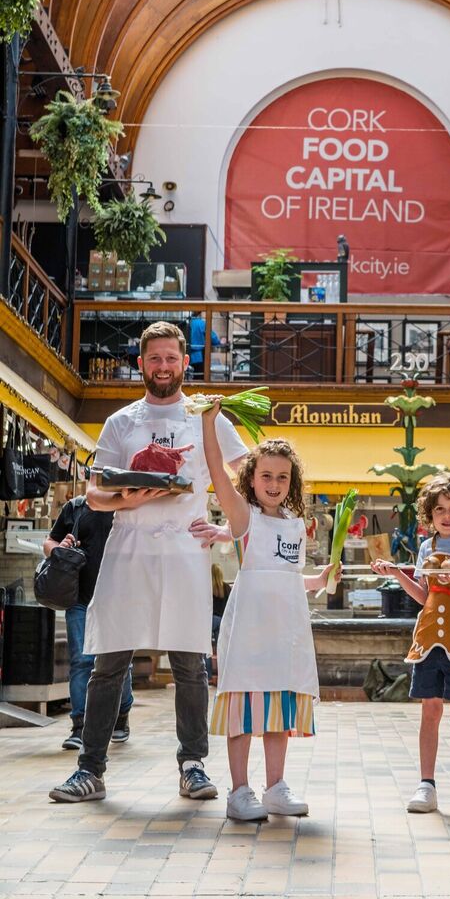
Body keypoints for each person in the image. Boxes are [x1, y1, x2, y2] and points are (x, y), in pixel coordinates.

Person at [49, 321, 248, 804]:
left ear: (186, 363)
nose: (163, 367)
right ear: (142, 364)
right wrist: (128, 502)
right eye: (154, 358)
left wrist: (228, 529)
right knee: (109, 660)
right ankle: (90, 768)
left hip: (184, 549)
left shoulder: (209, 418)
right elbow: (94, 493)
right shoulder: (121, 421)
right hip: (130, 547)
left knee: (190, 663)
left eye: (171, 358)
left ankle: (193, 765)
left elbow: (246, 481)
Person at [201, 404, 339, 821]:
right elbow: (217, 473)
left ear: (291, 480)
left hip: (288, 628)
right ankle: (239, 792)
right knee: (243, 708)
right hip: (249, 627)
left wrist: (316, 581)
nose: (275, 484)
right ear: (252, 479)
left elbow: (285, 575)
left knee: (278, 707)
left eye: (283, 476)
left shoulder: (296, 521)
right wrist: (209, 424)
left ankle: (276, 788)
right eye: (266, 476)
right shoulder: (244, 516)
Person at [371, 473, 450, 817]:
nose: (447, 515)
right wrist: (399, 575)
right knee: (430, 710)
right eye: (440, 509)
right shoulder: (427, 547)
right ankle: (425, 784)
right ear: (430, 514)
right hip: (429, 641)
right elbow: (424, 595)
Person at [44, 497, 134, 752]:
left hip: (121, 599)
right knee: (82, 661)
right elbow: (49, 541)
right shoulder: (76, 507)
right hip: (80, 598)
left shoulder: (128, 505)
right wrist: (58, 548)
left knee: (120, 664)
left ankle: (121, 713)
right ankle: (79, 726)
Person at [188, 314, 221, 379]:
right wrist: (219, 342)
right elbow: (213, 337)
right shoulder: (201, 323)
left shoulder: (187, 322)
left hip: (186, 354)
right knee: (199, 377)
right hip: (199, 356)